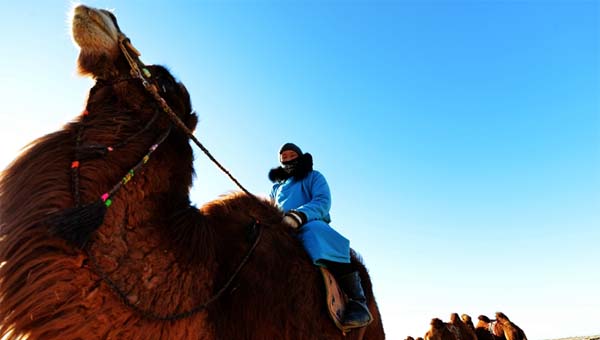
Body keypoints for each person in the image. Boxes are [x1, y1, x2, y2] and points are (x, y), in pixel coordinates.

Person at [268, 142, 372, 329]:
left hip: (308, 222)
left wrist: (299, 215)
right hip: (281, 228)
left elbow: (322, 201)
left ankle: (358, 301)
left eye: (292, 155)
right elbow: (270, 208)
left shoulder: (314, 177)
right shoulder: (277, 188)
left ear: (299, 156)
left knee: (316, 234)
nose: (289, 159)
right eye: (284, 158)